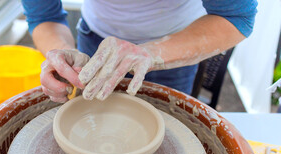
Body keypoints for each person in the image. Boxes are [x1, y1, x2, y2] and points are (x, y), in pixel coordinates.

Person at [22, 0, 257, 102]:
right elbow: (45, 16)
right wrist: (61, 52)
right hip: (95, 42)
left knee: (166, 136)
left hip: (174, 46)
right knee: (90, 119)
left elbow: (235, 17)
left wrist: (152, 53)